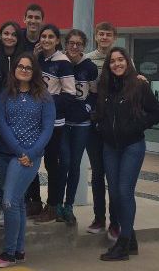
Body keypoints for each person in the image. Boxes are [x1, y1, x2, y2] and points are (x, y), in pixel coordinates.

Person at [94, 47, 159, 261]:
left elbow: (156, 113)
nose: (117, 64)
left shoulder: (139, 85)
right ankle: (130, 238)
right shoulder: (105, 86)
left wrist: (136, 126)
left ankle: (122, 245)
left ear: (127, 62)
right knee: (114, 193)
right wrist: (99, 124)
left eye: (120, 60)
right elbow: (101, 112)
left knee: (124, 191)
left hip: (132, 146)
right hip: (110, 147)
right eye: (112, 61)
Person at [0, 53, 55, 268]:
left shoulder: (44, 96)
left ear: (34, 71)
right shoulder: (5, 95)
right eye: (20, 66)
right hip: (9, 154)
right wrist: (19, 151)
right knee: (16, 202)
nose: (24, 70)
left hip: (30, 157)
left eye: (28, 67)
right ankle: (18, 251)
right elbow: (1, 124)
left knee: (8, 201)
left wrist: (32, 152)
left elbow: (47, 128)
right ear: (14, 69)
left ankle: (8, 253)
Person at [33, 24, 75, 225]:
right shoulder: (39, 59)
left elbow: (70, 94)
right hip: (35, 121)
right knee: (31, 161)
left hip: (55, 123)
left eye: (51, 36)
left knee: (53, 165)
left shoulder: (63, 62)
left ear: (57, 40)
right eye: (43, 36)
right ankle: (35, 203)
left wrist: (47, 103)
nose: (46, 40)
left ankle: (53, 206)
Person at [60, 29, 98, 226]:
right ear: (66, 44)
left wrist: (87, 107)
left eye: (79, 44)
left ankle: (69, 205)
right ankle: (56, 203)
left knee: (75, 165)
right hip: (63, 122)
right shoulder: (60, 62)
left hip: (82, 123)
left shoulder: (90, 67)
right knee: (63, 163)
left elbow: (93, 92)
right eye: (71, 43)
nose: (74, 47)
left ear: (83, 46)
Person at [0, 20, 22, 220]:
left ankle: (15, 199)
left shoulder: (23, 56)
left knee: (17, 153)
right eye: (5, 33)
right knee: (1, 156)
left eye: (13, 34)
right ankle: (2, 198)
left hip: (19, 112)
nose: (9, 37)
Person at [84, 22, 116, 235]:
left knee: (113, 175)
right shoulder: (88, 59)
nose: (104, 37)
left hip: (114, 124)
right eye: (101, 34)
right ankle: (98, 218)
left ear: (114, 37)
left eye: (108, 34)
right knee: (97, 173)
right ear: (96, 36)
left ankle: (116, 222)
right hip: (93, 123)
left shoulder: (121, 58)